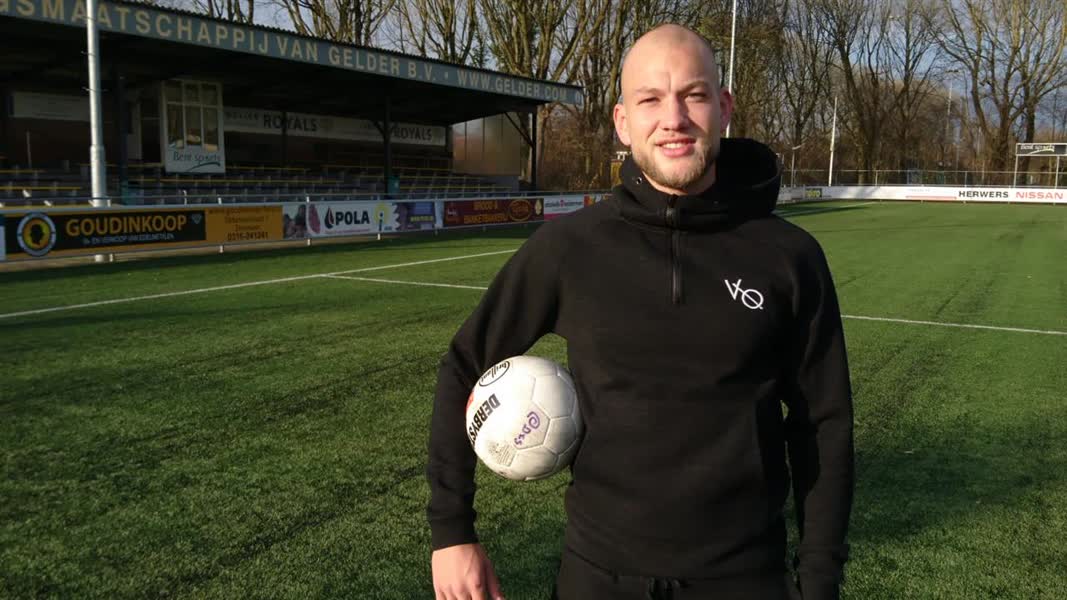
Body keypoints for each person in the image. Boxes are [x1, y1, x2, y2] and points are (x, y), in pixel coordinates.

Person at [427, 23, 854, 600]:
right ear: (623, 121)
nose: (672, 118)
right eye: (650, 99)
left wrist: (820, 578)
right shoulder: (570, 248)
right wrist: (452, 532)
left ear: (724, 108)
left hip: (745, 577)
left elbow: (822, 424)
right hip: (597, 577)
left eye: (693, 95)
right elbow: (464, 364)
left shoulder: (789, 257)